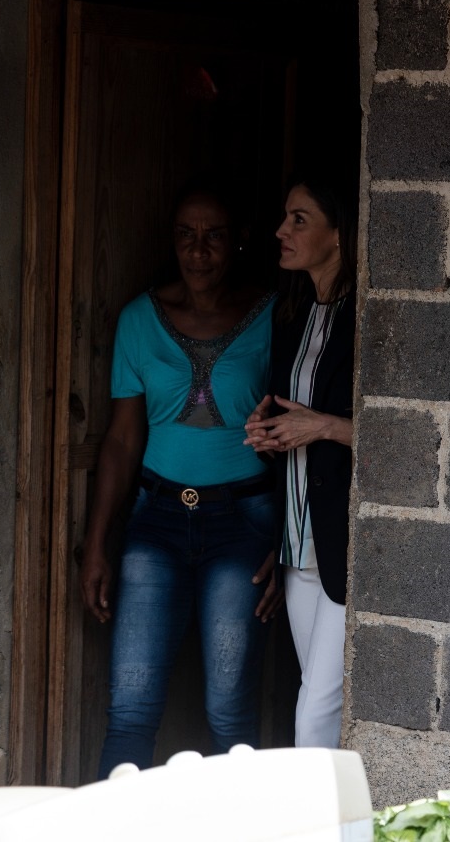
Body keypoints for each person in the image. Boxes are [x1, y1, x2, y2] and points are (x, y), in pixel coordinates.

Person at [80, 179, 282, 777]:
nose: (199, 250)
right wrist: (96, 544)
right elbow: (120, 440)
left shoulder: (274, 316)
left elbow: (296, 438)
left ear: (239, 241)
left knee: (229, 715)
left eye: (214, 236)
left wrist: (287, 543)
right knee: (131, 710)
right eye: (186, 236)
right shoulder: (140, 319)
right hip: (157, 522)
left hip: (244, 526)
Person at [244, 176, 355, 749]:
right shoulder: (292, 315)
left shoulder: (367, 317)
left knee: (315, 712)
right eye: (285, 217)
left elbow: (394, 436)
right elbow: (290, 414)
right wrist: (268, 432)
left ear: (338, 234)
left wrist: (322, 426)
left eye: (299, 219)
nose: (281, 231)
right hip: (296, 543)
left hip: (340, 542)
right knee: (317, 699)